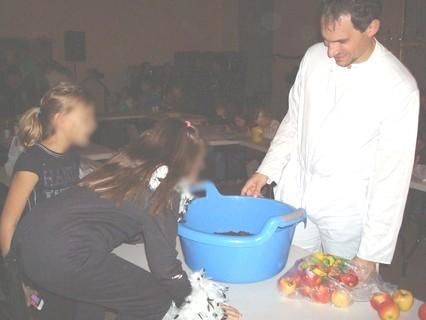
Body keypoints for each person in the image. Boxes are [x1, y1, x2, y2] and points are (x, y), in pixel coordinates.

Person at [242, 0, 419, 277]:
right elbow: (294, 121)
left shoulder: (397, 86)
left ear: (372, 27)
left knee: (343, 292)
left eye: (341, 41)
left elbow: (392, 176)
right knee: (290, 276)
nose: (331, 51)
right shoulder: (314, 58)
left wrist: (371, 251)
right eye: (326, 40)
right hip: (297, 193)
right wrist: (266, 170)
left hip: (348, 209)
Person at [10, 119, 241, 320]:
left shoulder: (126, 168)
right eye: (197, 159)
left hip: (29, 242)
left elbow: (123, 218)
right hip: (62, 254)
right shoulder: (164, 183)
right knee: (154, 298)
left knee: (94, 296)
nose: (199, 166)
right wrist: (211, 309)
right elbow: (166, 271)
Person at [0, 82, 96, 258]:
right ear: (60, 120)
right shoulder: (32, 160)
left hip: (62, 248)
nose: (91, 125)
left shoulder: (72, 156)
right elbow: (8, 222)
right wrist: (15, 268)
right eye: (84, 118)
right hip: (36, 252)